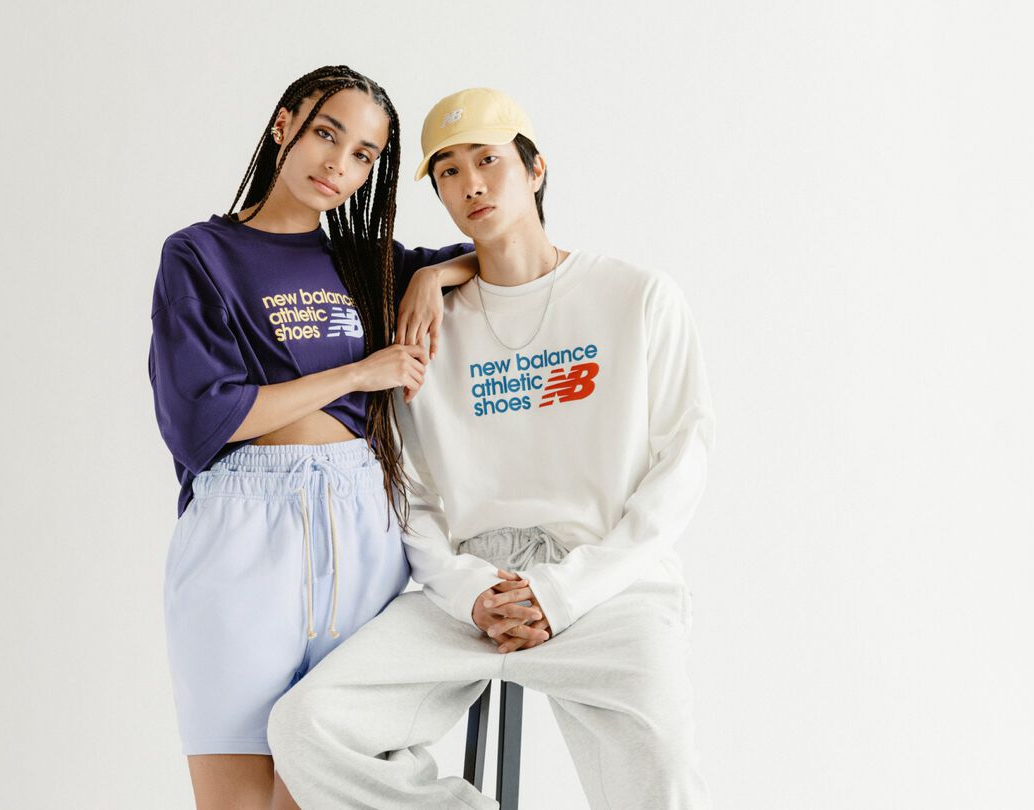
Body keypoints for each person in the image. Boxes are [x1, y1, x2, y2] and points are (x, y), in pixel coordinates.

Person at [268, 87, 715, 809]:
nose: (470, 183)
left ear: (535, 170)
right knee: (308, 725)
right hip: (475, 590)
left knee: (663, 776)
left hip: (608, 583)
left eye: (488, 159)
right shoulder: (426, 328)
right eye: (447, 170)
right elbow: (407, 491)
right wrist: (470, 589)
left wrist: (564, 591)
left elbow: (682, 466)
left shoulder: (635, 297)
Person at [148, 66, 481, 810]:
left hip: (363, 525)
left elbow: (508, 259)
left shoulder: (371, 265)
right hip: (242, 538)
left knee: (324, 792)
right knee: (235, 799)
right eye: (328, 134)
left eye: (364, 154)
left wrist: (433, 276)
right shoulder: (200, 255)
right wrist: (358, 374)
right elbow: (206, 417)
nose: (339, 164)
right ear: (284, 125)